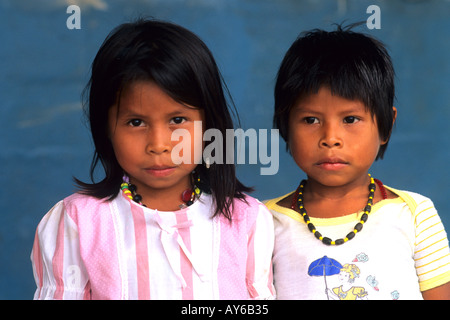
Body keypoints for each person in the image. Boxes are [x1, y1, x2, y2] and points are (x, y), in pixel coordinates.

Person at [31, 19, 275, 300]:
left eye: (177, 120)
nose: (159, 145)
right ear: (106, 128)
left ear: (210, 125)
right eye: (136, 122)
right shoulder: (78, 222)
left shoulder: (247, 221)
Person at [265, 24, 450, 299]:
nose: (330, 138)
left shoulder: (414, 214)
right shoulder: (264, 222)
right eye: (311, 120)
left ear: (386, 126)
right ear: (284, 127)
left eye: (350, 119)